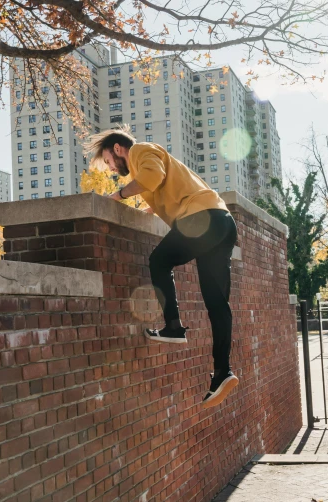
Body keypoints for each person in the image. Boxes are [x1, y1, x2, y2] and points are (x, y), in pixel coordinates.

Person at [84, 126, 239, 408]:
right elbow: (165, 188)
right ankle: (222, 372)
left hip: (200, 219)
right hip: (222, 223)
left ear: (118, 149)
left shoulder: (141, 150)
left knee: (159, 261)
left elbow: (153, 178)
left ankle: (173, 328)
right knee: (217, 304)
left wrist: (118, 196)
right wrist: (148, 210)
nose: (110, 167)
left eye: (108, 160)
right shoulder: (156, 163)